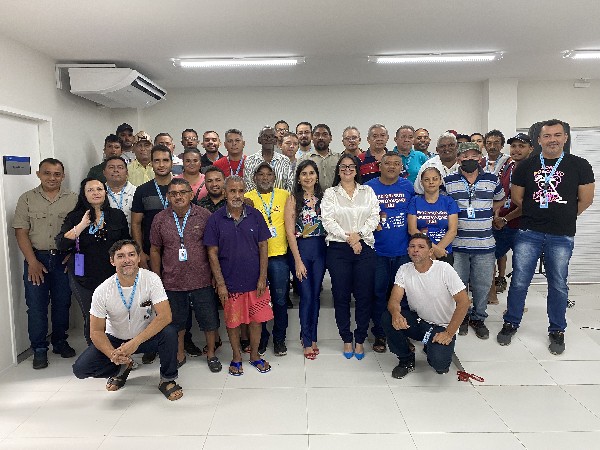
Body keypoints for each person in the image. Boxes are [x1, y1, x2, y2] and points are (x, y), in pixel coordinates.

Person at [497, 119, 595, 354]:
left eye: (557, 135)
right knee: (519, 280)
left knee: (558, 284)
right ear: (539, 140)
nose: (552, 140)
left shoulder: (579, 165)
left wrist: (563, 216)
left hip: (561, 234)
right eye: (547, 136)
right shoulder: (526, 166)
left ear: (565, 138)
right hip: (529, 232)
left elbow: (586, 199)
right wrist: (537, 212)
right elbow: (518, 198)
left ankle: (557, 330)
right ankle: (511, 322)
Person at [72, 240, 183, 401]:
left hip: (145, 338)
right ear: (112, 261)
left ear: (138, 258)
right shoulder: (102, 290)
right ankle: (121, 368)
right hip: (116, 341)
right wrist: (113, 355)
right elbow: (96, 332)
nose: (127, 260)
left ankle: (167, 379)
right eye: (120, 256)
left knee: (169, 332)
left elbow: (165, 316)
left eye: (131, 255)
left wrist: (135, 342)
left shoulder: (151, 279)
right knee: (80, 369)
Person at [149, 179, 221, 373]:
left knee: (209, 320)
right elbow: (155, 250)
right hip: (172, 281)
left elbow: (213, 248)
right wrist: (156, 279)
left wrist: (215, 275)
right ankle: (179, 353)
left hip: (202, 279)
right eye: (173, 193)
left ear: (191, 194)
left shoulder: (204, 215)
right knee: (177, 321)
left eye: (182, 192)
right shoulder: (160, 219)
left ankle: (211, 353)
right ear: (168, 197)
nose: (178, 196)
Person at [205, 176, 274, 375]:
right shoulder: (215, 219)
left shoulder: (255, 215)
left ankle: (255, 356)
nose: (237, 195)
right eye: (232, 191)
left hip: (255, 281)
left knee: (257, 320)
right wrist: (221, 284)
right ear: (225, 193)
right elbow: (212, 253)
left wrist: (262, 278)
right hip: (230, 283)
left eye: (240, 191)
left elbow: (263, 247)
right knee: (233, 322)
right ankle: (236, 357)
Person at [13, 158, 78, 369]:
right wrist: (32, 261)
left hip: (63, 259)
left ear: (63, 176)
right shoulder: (27, 199)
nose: (52, 178)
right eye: (47, 173)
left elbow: (81, 230)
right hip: (36, 259)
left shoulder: (73, 199)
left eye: (57, 174)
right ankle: (39, 349)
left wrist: (73, 253)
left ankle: (59, 342)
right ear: (39, 174)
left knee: (62, 303)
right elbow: (21, 232)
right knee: (36, 306)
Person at [381, 234, 470, 379]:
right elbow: (394, 301)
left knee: (440, 366)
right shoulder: (404, 269)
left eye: (421, 247)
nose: (415, 250)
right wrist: (396, 314)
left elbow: (464, 302)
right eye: (412, 246)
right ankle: (406, 360)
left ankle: (432, 347)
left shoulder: (444, 269)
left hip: (443, 326)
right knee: (388, 317)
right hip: (419, 321)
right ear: (408, 251)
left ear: (430, 252)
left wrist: (448, 333)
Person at [56, 178, 130, 345]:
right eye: (90, 190)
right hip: (84, 276)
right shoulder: (74, 217)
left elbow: (126, 243)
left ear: (105, 192)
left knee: (115, 315)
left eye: (99, 189)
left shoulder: (116, 215)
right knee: (92, 316)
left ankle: (116, 352)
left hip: (112, 275)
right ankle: (95, 352)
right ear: (84, 194)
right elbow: (61, 244)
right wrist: (82, 225)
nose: (96, 193)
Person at [444, 142, 505, 339]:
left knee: (482, 285)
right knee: (458, 285)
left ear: (480, 158)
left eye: (473, 156)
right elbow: (442, 204)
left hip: (485, 244)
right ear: (458, 158)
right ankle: (461, 317)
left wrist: (488, 210)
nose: (469, 159)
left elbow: (501, 198)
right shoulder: (448, 181)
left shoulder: (492, 179)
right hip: (458, 245)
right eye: (465, 156)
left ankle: (478, 318)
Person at [321, 154, 380, 359]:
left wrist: (359, 236)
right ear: (338, 171)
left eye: (351, 166)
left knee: (364, 296)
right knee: (341, 295)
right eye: (343, 166)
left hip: (365, 247)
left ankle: (360, 338)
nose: (347, 169)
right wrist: (350, 239)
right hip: (338, 249)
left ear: (357, 169)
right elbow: (328, 220)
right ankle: (346, 338)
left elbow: (374, 216)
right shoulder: (330, 193)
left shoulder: (368, 191)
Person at [366, 152, 415, 354]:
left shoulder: (408, 187)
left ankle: (402, 333)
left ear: (401, 167)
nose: (392, 167)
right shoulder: (369, 187)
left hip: (403, 252)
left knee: (403, 297)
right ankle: (380, 333)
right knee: (378, 294)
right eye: (388, 163)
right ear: (380, 166)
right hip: (377, 252)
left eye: (397, 163)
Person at [130, 145, 173, 363]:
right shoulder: (143, 190)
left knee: (177, 298)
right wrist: (140, 253)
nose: (161, 165)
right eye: (157, 161)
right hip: (150, 253)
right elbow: (136, 223)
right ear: (151, 163)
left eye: (165, 160)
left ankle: (182, 339)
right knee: (150, 300)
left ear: (172, 162)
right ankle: (150, 343)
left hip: (176, 255)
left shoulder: (180, 187)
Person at [245, 163, 291, 356]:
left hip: (279, 256)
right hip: (256, 259)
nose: (265, 178)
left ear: (274, 177)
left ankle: (279, 339)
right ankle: (262, 339)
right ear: (254, 178)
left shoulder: (285, 195)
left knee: (280, 300)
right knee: (259, 301)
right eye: (261, 174)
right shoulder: (247, 198)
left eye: (269, 174)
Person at [285, 160, 327, 359]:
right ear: (299, 178)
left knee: (316, 295)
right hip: (301, 250)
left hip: (320, 250)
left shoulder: (324, 198)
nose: (308, 177)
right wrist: (298, 261)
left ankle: (312, 336)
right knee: (307, 296)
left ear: (316, 176)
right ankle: (307, 341)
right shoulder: (293, 199)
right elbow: (289, 232)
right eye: (304, 173)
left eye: (311, 173)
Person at [488, 133, 533, 304]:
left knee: (521, 267)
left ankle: (516, 305)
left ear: (531, 149)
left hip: (522, 226)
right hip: (502, 224)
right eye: (513, 146)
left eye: (521, 146)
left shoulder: (533, 171)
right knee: (488, 259)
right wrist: (497, 215)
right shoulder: (507, 167)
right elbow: (500, 194)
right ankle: (492, 296)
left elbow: (529, 204)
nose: (516, 150)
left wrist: (505, 219)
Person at [409, 166, 459, 265]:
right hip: (420, 252)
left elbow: (452, 230)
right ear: (421, 183)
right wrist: (433, 249)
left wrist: (438, 250)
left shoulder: (449, 201)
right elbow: (412, 229)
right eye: (427, 180)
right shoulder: (414, 201)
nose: (431, 182)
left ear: (440, 181)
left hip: (444, 252)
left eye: (435, 179)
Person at [244, 126, 293, 192]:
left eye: (271, 136)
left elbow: (290, 184)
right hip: (256, 198)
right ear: (259, 140)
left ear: (275, 140)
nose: (268, 139)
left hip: (281, 198)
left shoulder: (285, 161)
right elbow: (248, 185)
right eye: (265, 136)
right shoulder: (249, 160)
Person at [298, 124, 340, 190]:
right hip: (312, 196)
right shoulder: (303, 160)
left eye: (325, 134)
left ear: (330, 138)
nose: (320, 138)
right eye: (317, 135)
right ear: (312, 138)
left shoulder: (339, 158)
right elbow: (297, 183)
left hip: (336, 195)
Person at [103, 156, 136, 229]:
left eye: (120, 167)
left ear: (127, 172)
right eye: (111, 167)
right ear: (104, 172)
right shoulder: (98, 193)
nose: (115, 170)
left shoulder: (136, 192)